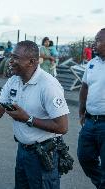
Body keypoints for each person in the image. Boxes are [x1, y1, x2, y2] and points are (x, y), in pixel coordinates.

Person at [0, 40, 69, 189]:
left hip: (42, 155)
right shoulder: (14, 80)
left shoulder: (48, 85)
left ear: (32, 62)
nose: (11, 61)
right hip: (23, 152)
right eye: (11, 56)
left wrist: (27, 119)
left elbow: (62, 127)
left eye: (16, 58)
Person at [77, 28, 105, 189]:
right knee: (84, 157)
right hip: (90, 121)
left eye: (98, 41)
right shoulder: (92, 63)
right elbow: (84, 87)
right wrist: (81, 111)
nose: (94, 44)